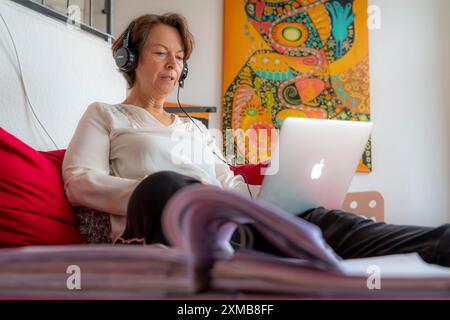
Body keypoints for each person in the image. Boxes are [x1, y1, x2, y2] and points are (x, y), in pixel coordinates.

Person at [62, 13, 450, 267]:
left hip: (228, 224)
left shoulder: (194, 129)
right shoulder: (105, 115)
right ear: (130, 60)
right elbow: (79, 181)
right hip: (160, 222)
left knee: (319, 218)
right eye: (160, 53)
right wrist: (172, 190)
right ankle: (250, 251)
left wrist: (281, 194)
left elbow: (229, 183)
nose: (173, 65)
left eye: (179, 58)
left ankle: (439, 243)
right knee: (166, 184)